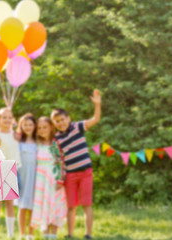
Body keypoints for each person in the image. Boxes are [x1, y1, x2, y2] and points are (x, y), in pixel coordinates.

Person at [51, 89, 102, 239]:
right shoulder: (57, 138)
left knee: (87, 204)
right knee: (71, 206)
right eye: (57, 121)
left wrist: (97, 105)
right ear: (54, 124)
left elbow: (95, 119)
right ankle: (70, 233)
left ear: (68, 118)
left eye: (62, 119)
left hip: (86, 172)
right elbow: (57, 158)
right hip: (70, 175)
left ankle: (88, 234)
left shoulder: (77, 126)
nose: (61, 123)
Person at [31, 117, 67, 240]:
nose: (42, 130)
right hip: (41, 180)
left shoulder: (54, 143)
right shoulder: (37, 143)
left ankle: (53, 235)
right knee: (43, 205)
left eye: (45, 127)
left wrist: (60, 179)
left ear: (51, 127)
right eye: (40, 128)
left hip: (53, 178)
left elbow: (59, 161)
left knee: (54, 204)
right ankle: (45, 233)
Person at [0, 107, 21, 240]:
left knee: (10, 204)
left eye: (9, 117)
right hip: (0, 171)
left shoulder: (16, 135)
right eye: (4, 117)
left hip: (14, 171)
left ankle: (10, 234)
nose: (7, 120)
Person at [15, 113, 37, 240]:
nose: (28, 127)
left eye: (30, 125)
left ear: (34, 126)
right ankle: (22, 234)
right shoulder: (19, 141)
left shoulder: (37, 141)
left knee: (33, 206)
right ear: (21, 126)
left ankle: (31, 234)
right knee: (23, 206)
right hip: (22, 176)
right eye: (25, 125)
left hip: (34, 176)